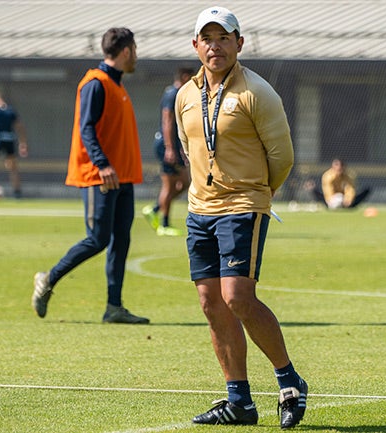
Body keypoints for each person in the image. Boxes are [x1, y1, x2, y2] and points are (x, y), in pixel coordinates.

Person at [175, 6, 307, 429]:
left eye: (223, 38)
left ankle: (289, 382)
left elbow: (282, 157)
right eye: (207, 39)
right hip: (200, 210)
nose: (215, 46)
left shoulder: (257, 92)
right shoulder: (185, 96)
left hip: (243, 206)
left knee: (237, 297)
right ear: (196, 45)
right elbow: (188, 148)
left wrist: (256, 194)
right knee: (211, 303)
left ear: (239, 43)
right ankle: (239, 402)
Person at [31, 28, 149, 324]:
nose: (136, 55)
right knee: (98, 239)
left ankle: (114, 307)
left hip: (122, 177)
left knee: (120, 240)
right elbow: (86, 129)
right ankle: (48, 279)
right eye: (134, 49)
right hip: (101, 177)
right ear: (126, 51)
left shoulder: (116, 85)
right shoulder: (95, 83)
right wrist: (102, 164)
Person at [142, 66, 195, 236]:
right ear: (185, 76)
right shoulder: (172, 94)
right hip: (166, 145)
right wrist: (170, 148)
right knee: (170, 184)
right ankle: (164, 224)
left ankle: (156, 208)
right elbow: (167, 121)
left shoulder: (178, 94)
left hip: (173, 146)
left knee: (184, 183)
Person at [306, 158, 371, 209]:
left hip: (345, 199)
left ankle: (348, 206)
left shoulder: (349, 175)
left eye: (340, 166)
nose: (338, 168)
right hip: (330, 200)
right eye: (336, 165)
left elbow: (350, 189)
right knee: (314, 190)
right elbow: (327, 190)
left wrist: (348, 200)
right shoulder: (327, 176)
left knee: (366, 190)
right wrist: (330, 201)